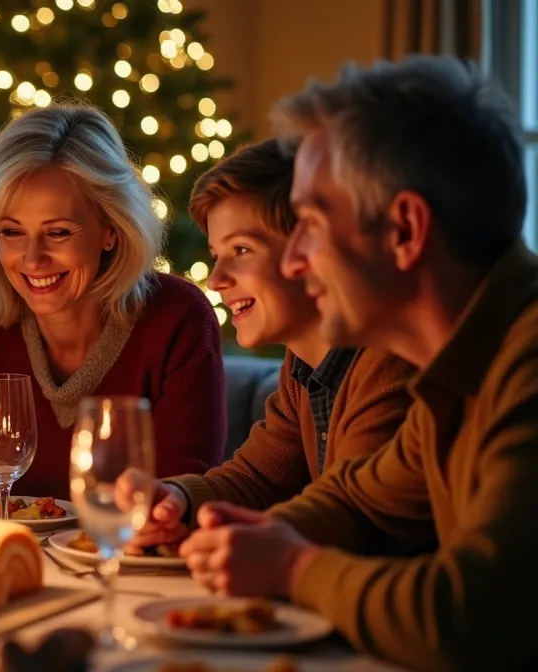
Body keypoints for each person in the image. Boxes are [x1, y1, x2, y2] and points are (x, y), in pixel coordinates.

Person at [178, 56, 538, 670]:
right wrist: (244, 536)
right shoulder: (459, 365)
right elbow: (359, 503)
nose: (295, 261)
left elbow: (474, 617)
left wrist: (293, 566)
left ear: (405, 230)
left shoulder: (523, 360)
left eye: (312, 224)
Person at [0, 103, 226, 500]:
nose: (32, 259)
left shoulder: (178, 317)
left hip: (123, 542)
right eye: (11, 232)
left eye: (58, 232)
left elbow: (179, 500)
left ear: (110, 230)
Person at [119, 139, 416, 550]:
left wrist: (237, 535)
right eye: (216, 254)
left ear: (308, 249)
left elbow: (353, 516)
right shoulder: (302, 368)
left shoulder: (386, 361)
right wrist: (178, 498)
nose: (216, 279)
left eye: (241, 250)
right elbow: (257, 479)